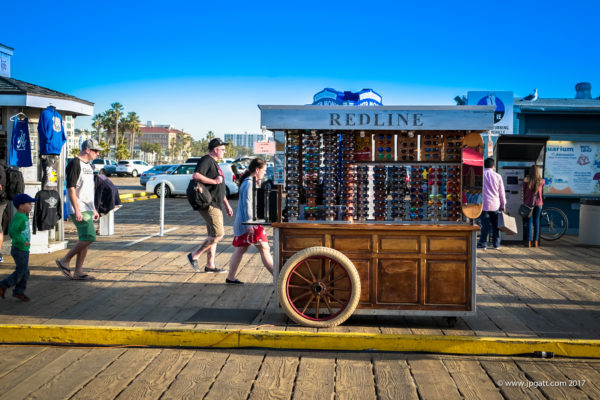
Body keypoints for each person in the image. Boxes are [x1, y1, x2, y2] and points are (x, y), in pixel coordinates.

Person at [55, 139, 101, 280]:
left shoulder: (88, 166)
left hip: (87, 207)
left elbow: (87, 190)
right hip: (78, 207)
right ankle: (64, 260)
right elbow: (71, 188)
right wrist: (77, 209)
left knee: (84, 239)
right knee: (90, 237)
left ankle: (78, 271)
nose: (97, 153)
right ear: (87, 150)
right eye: (95, 151)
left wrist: (93, 209)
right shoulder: (75, 163)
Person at [186, 138, 234, 273]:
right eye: (222, 149)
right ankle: (194, 255)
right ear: (215, 149)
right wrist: (213, 180)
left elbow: (219, 187)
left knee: (213, 235)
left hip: (216, 203)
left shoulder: (214, 163)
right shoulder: (206, 160)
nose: (224, 152)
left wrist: (227, 204)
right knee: (219, 234)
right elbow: (196, 175)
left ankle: (210, 265)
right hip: (209, 204)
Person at [226, 158, 273, 284]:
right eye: (263, 170)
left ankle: (231, 277)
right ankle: (278, 277)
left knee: (242, 248)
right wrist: (250, 223)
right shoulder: (249, 183)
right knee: (264, 247)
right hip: (250, 223)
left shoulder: (249, 182)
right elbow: (248, 204)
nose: (265, 172)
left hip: (246, 222)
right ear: (257, 170)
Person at [0, 193, 37, 301]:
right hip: (19, 249)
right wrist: (22, 241)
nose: (31, 205)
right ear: (21, 206)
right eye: (29, 203)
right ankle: (3, 285)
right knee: (21, 270)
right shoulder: (19, 217)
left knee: (25, 272)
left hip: (23, 249)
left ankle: (19, 291)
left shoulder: (22, 216)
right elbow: (12, 230)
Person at [477, 158, 506, 250]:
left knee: (484, 225)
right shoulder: (498, 176)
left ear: (484, 165)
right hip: (495, 205)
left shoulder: (481, 175)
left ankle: (483, 244)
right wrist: (503, 205)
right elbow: (501, 192)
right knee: (496, 225)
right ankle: (496, 244)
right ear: (493, 166)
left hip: (484, 204)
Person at [523, 165, 545, 248]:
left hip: (528, 204)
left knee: (529, 222)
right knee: (536, 222)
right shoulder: (542, 181)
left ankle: (528, 242)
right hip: (539, 204)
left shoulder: (526, 180)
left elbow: (524, 191)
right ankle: (535, 242)